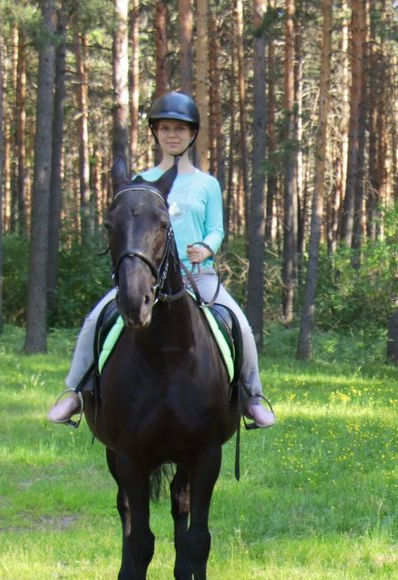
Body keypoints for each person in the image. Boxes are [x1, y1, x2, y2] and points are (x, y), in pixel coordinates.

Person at [48, 92, 275, 430]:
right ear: (155, 132)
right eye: (166, 128)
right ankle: (76, 391)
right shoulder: (141, 182)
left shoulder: (207, 184)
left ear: (192, 134)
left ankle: (251, 396)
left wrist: (207, 248)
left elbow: (217, 228)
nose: (173, 135)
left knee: (238, 322)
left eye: (180, 129)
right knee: (96, 319)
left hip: (199, 275)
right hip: (149, 275)